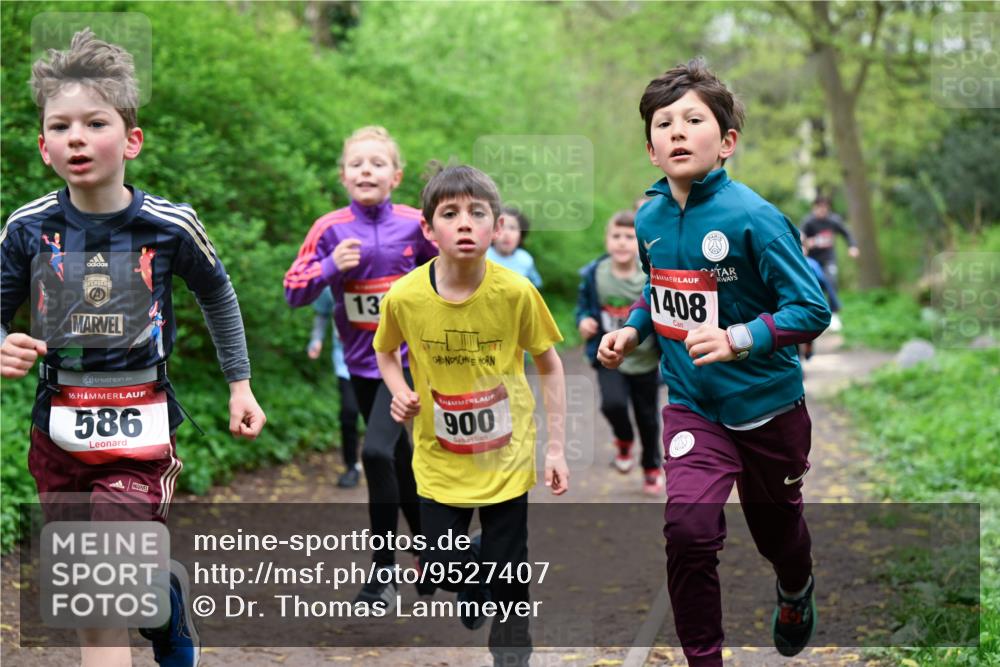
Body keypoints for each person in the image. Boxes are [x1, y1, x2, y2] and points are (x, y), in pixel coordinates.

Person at [0, 29, 266, 667]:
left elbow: (219, 294)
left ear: (132, 139)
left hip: (140, 433)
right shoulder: (27, 228)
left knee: (100, 582)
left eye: (95, 122)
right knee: (96, 606)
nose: (77, 137)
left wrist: (239, 383)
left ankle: (156, 592)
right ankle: (165, 595)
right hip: (57, 434)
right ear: (43, 147)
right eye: (60, 126)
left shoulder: (169, 226)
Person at [598, 59, 830, 666]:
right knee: (689, 535)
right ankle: (706, 660)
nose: (676, 130)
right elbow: (659, 289)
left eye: (692, 119)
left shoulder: (754, 218)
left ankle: (795, 588)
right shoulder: (648, 217)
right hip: (693, 406)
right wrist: (632, 328)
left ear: (726, 142)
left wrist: (739, 338)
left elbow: (812, 308)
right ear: (650, 148)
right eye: (663, 123)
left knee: (778, 533)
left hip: (768, 409)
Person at [374, 164, 568, 667]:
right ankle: (474, 571)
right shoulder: (406, 296)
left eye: (477, 213)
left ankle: (512, 652)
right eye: (450, 214)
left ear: (497, 226)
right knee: (437, 566)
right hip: (440, 455)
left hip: (506, 451)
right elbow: (386, 351)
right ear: (427, 228)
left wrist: (555, 448)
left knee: (508, 569)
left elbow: (549, 363)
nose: (465, 224)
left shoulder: (516, 292)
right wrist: (399, 392)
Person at [283, 126, 438, 609]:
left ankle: (382, 573)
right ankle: (435, 555)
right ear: (343, 175)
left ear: (396, 176)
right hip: (360, 367)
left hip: (412, 365)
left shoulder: (417, 224)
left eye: (376, 163)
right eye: (356, 163)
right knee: (397, 460)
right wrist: (330, 268)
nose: (365, 170)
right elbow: (293, 290)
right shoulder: (329, 230)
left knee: (375, 454)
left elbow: (455, 271)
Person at [575, 210, 663, 494]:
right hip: (609, 356)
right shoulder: (594, 274)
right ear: (607, 240)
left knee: (647, 417)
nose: (622, 243)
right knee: (611, 405)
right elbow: (585, 308)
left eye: (629, 237)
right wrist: (583, 321)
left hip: (646, 359)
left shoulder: (650, 275)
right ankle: (623, 440)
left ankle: (651, 465)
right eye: (616, 236)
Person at [307, 286, 362, 487]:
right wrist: (316, 340)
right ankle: (351, 466)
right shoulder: (330, 283)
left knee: (381, 414)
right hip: (345, 361)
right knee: (348, 413)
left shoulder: (379, 272)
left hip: (379, 362)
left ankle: (391, 461)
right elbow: (322, 314)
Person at [799, 195, 858, 332]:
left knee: (831, 281)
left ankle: (835, 314)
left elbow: (846, 233)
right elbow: (800, 236)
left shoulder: (833, 220)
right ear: (814, 208)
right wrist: (803, 245)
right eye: (819, 208)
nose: (822, 211)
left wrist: (852, 246)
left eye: (825, 208)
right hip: (812, 261)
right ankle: (815, 317)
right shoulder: (808, 222)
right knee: (814, 287)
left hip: (828, 259)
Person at [486, 206, 543, 288]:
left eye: (512, 228)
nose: (506, 234)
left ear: (521, 235)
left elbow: (536, 284)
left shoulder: (525, 259)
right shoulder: (481, 256)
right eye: (501, 227)